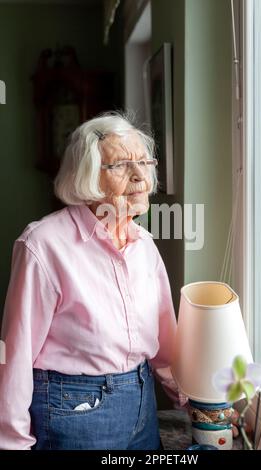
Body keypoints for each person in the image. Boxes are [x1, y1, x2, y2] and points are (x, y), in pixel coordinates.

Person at [0, 112, 185, 450]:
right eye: (121, 166)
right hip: (73, 408)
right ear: (87, 177)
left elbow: (163, 339)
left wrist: (190, 398)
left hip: (141, 403)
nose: (141, 176)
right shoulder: (43, 244)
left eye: (144, 162)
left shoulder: (143, 243)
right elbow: (16, 352)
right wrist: (11, 441)